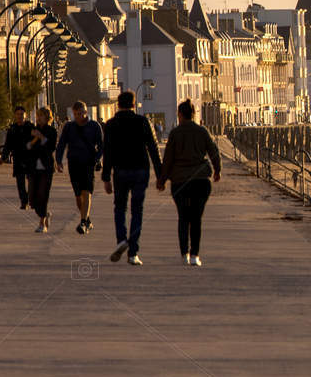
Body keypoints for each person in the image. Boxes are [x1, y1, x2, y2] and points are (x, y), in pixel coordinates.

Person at [101, 89, 161, 265]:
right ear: (134, 105)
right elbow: (153, 148)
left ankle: (121, 240)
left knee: (120, 208)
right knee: (137, 210)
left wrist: (106, 177)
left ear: (118, 105)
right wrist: (160, 175)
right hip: (140, 171)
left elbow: (108, 152)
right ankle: (133, 253)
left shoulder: (111, 124)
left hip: (120, 171)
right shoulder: (143, 122)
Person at [158, 99, 222, 265]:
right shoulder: (202, 131)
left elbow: (168, 159)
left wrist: (162, 180)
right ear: (193, 115)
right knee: (196, 218)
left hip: (179, 181)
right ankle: (195, 255)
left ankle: (184, 254)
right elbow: (214, 151)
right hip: (201, 180)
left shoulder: (175, 133)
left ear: (180, 115)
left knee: (183, 217)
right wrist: (217, 170)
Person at [55, 100, 104, 234]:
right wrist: (58, 161)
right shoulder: (69, 127)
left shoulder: (94, 126)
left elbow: (101, 145)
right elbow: (61, 144)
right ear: (73, 114)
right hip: (74, 163)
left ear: (86, 112)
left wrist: (97, 159)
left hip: (89, 163)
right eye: (76, 114)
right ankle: (86, 219)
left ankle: (82, 222)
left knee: (86, 191)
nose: (79, 116)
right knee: (78, 195)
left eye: (81, 113)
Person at [25, 106, 59, 232]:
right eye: (37, 116)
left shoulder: (52, 131)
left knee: (42, 195)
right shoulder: (33, 130)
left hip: (46, 167)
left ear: (47, 118)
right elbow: (28, 147)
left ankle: (42, 223)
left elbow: (51, 147)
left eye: (41, 116)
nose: (38, 118)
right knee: (32, 199)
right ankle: (45, 214)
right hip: (33, 167)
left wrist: (42, 138)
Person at [3, 106, 34, 209]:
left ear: (25, 115)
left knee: (32, 181)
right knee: (20, 183)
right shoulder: (12, 129)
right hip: (18, 158)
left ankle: (30, 198)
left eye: (22, 114)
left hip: (30, 158)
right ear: (15, 116)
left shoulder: (31, 127)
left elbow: (37, 141)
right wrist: (4, 157)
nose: (20, 116)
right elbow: (8, 145)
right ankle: (24, 202)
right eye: (18, 114)